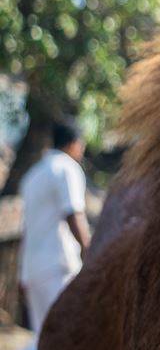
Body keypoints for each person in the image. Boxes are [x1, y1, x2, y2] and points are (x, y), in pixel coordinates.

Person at [18, 121, 90, 332]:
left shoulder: (33, 175)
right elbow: (73, 213)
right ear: (73, 144)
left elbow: (27, 228)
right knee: (67, 336)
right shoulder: (67, 168)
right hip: (58, 267)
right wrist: (91, 251)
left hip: (33, 271)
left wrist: (22, 273)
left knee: (43, 340)